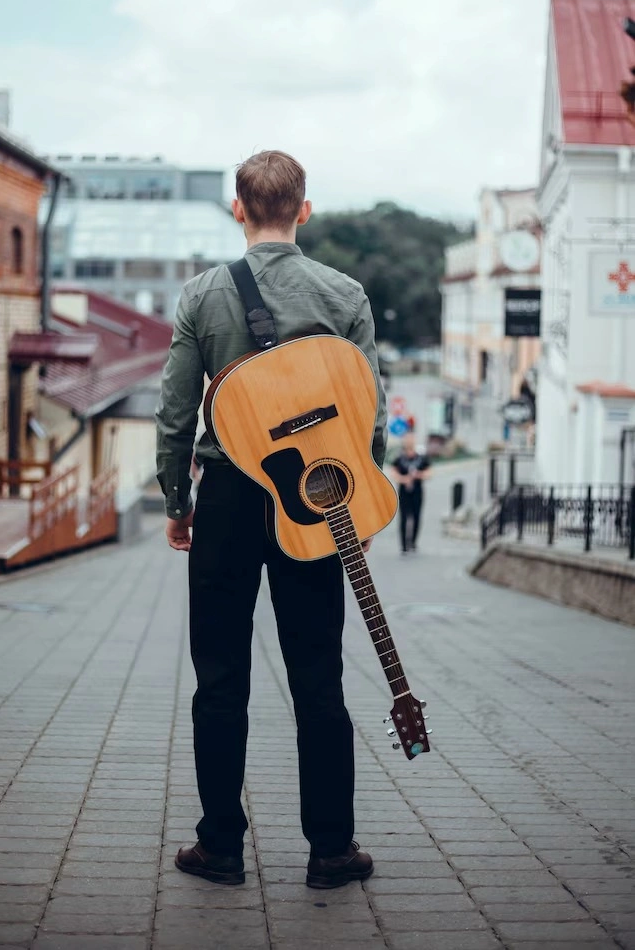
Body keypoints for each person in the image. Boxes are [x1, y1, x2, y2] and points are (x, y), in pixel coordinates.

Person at [156, 150, 387, 890]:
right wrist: (351, 497)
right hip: (314, 502)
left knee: (220, 676)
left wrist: (176, 501)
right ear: (304, 211)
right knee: (318, 674)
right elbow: (365, 414)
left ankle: (220, 844)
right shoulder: (343, 293)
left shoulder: (202, 296)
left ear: (237, 209)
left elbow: (174, 410)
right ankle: (330, 850)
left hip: (225, 497)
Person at [391, 433, 431, 553]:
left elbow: (429, 472)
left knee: (416, 516)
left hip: (417, 491)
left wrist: (418, 475)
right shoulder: (400, 458)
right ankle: (403, 544)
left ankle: (413, 542)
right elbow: (394, 473)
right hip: (404, 491)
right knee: (404, 517)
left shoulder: (421, 458)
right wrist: (404, 479)